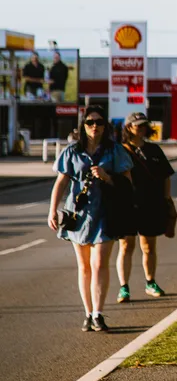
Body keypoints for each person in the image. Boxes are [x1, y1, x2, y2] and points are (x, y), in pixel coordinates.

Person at [47, 106, 134, 332]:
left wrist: (107, 177)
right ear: (83, 126)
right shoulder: (72, 152)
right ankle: (87, 312)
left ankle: (98, 313)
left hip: (106, 213)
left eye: (99, 122)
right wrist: (52, 210)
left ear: (106, 126)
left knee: (99, 264)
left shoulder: (115, 151)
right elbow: (61, 182)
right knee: (84, 266)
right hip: (78, 215)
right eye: (90, 122)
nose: (95, 126)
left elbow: (128, 184)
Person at [116, 112, 174, 301]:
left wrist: (166, 200)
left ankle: (150, 282)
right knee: (126, 245)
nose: (141, 129)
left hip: (151, 204)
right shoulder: (120, 151)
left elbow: (166, 176)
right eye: (137, 125)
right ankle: (124, 287)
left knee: (148, 246)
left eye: (143, 125)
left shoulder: (154, 150)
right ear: (128, 128)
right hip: (127, 205)